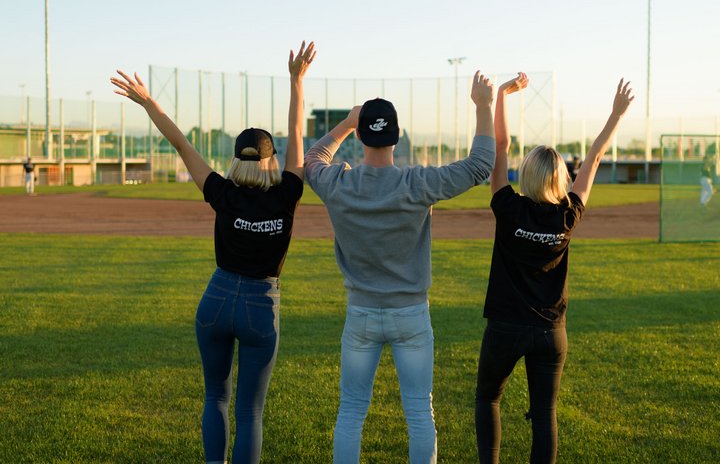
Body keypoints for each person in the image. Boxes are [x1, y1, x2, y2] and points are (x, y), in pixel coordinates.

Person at [110, 41, 315, 464]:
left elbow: (182, 144)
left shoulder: (222, 191)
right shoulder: (286, 195)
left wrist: (148, 103)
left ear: (235, 160)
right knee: (250, 412)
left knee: (215, 398)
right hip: (261, 307)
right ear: (271, 161)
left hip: (215, 301)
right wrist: (296, 81)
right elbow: (297, 134)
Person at [304, 72, 496, 464]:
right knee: (419, 412)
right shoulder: (415, 183)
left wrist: (346, 122)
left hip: (361, 313)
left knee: (351, 411)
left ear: (361, 137)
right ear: (396, 137)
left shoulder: (338, 183)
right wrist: (483, 105)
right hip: (410, 313)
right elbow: (480, 165)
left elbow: (311, 160)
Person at [475, 75, 634, 464]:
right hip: (550, 332)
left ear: (527, 174)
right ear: (561, 177)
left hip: (505, 327)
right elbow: (593, 158)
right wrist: (616, 114)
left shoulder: (508, 207)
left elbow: (500, 146)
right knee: (544, 414)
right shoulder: (568, 215)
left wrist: (501, 96)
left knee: (488, 399)